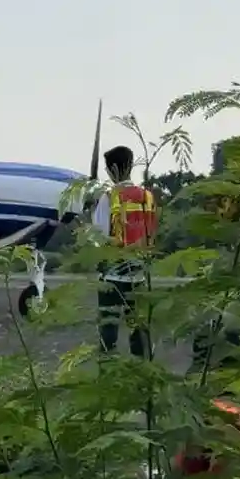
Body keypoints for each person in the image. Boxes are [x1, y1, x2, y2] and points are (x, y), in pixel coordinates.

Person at [90, 145, 157, 358]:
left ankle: (108, 377)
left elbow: (98, 238)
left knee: (108, 334)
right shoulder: (147, 197)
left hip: (112, 275)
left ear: (113, 169)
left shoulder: (108, 197)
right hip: (140, 274)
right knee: (139, 331)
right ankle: (142, 375)